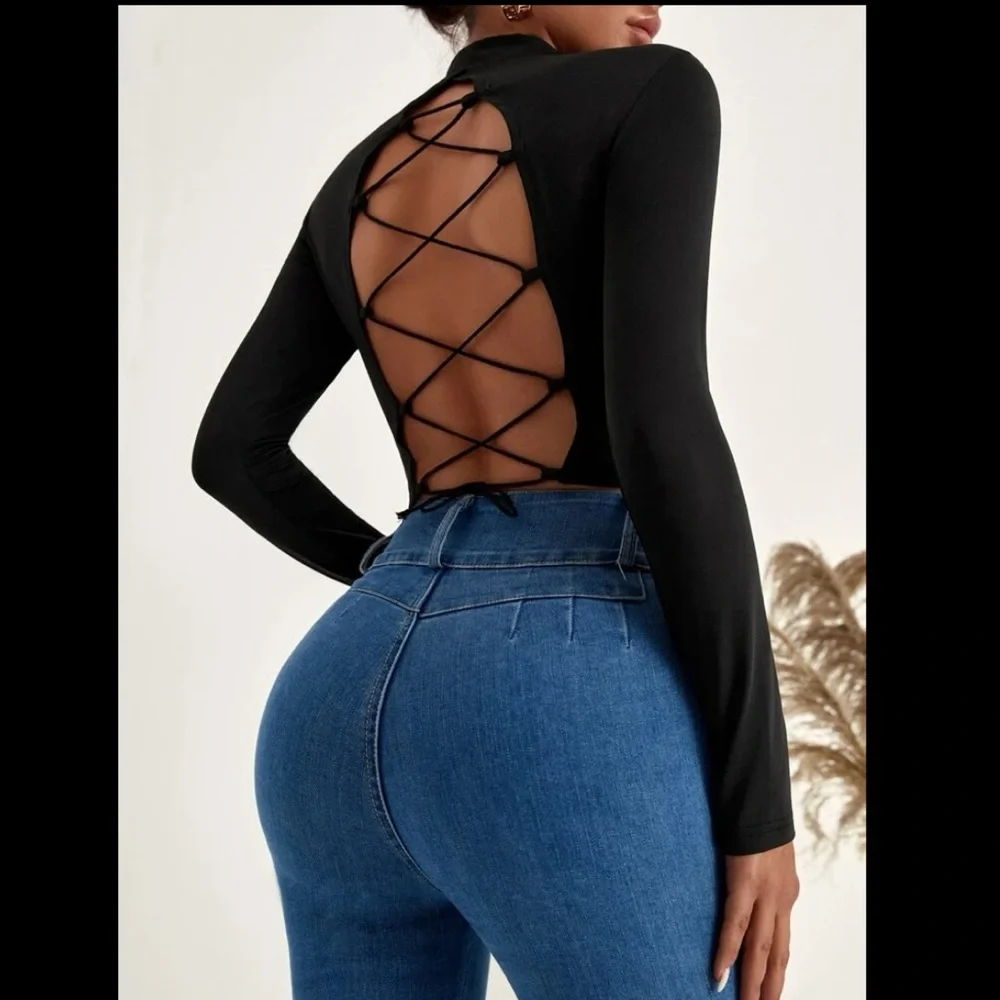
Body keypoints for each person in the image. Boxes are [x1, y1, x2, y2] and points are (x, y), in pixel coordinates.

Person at [191, 5, 800, 999]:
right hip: (555, 687)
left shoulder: (355, 176)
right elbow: (661, 430)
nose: (654, 4)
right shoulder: (654, 91)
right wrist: (760, 811)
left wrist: (399, 578)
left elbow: (232, 451)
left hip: (331, 708)